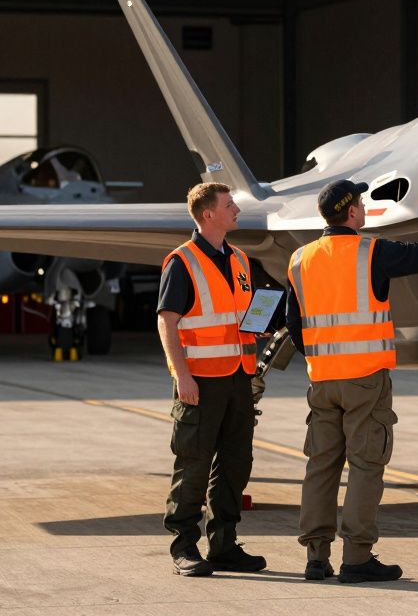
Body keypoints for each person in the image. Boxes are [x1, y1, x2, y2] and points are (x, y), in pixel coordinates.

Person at [286, 179, 418, 583]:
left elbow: (294, 324)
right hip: (365, 379)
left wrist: (320, 357)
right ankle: (357, 558)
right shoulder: (371, 251)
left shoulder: (300, 259)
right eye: (361, 203)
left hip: (323, 380)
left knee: (321, 466)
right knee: (365, 466)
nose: (364, 208)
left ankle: (316, 557)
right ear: (351, 213)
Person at [156, 182, 267, 577]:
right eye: (229, 204)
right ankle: (184, 546)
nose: (236, 208)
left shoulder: (239, 258)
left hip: (238, 376)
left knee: (236, 463)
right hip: (200, 380)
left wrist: (258, 326)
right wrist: (181, 375)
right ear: (208, 215)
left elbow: (235, 316)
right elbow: (167, 322)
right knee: (193, 464)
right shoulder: (181, 262)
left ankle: (224, 544)